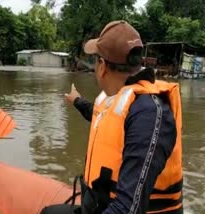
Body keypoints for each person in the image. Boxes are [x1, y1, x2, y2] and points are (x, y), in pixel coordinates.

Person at [42, 20, 183, 213]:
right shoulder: (120, 99)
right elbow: (102, 117)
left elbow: (128, 209)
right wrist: (77, 101)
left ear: (102, 66)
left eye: (95, 59)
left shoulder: (149, 114)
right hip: (97, 205)